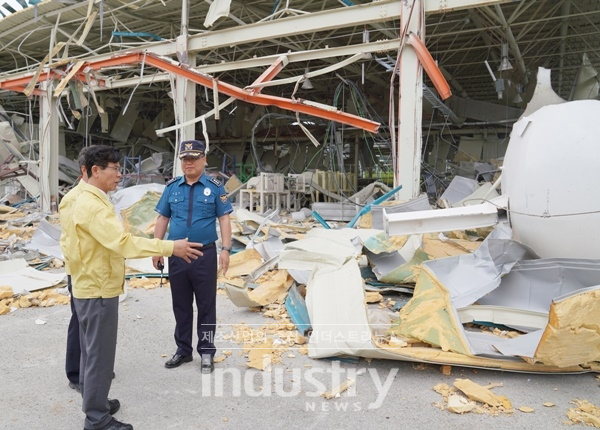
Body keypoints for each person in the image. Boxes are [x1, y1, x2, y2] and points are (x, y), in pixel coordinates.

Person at [63, 145, 204, 430]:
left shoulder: (75, 196)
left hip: (84, 281)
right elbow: (123, 243)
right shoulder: (91, 205)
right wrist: (169, 247)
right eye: (114, 169)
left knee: (91, 351)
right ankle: (97, 418)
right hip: (98, 287)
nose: (120, 174)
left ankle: (97, 402)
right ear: (94, 171)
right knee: (100, 355)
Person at [152, 139, 233, 374]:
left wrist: (225, 250)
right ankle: (183, 350)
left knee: (207, 306)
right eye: (185, 159)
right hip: (176, 255)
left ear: (204, 160)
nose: (189, 163)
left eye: (194, 158)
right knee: (181, 305)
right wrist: (157, 248)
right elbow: (162, 219)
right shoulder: (172, 187)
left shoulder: (215, 186)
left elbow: (224, 219)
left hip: (204, 255)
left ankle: (207, 351)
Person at [59, 146, 88, 393]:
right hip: (81, 272)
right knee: (80, 321)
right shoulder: (73, 200)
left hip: (96, 273)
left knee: (92, 324)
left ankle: (91, 367)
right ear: (88, 170)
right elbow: (71, 240)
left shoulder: (96, 195)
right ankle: (76, 373)